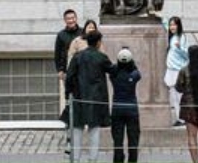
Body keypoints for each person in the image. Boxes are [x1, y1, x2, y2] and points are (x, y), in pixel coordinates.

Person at [67, 31, 114, 163]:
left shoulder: (77, 57)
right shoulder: (101, 57)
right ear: (98, 42)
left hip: (78, 97)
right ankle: (93, 159)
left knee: (77, 129)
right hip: (96, 98)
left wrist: (68, 95)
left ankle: (75, 159)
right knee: (94, 130)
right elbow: (113, 70)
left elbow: (69, 77)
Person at [109, 47, 142, 163]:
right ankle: (132, 160)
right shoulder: (134, 74)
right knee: (133, 139)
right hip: (132, 109)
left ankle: (118, 160)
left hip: (117, 109)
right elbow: (138, 73)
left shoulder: (114, 74)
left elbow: (112, 69)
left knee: (117, 140)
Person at [55, 9, 81, 152]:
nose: (71, 20)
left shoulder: (83, 33)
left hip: (82, 75)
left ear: (76, 18)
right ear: (65, 20)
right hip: (68, 76)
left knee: (82, 103)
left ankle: (82, 136)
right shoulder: (61, 35)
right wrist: (60, 70)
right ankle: (69, 139)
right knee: (70, 104)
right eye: (68, 19)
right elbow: (57, 54)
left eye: (73, 18)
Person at [164, 16, 190, 126]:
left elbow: (186, 55)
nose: (172, 27)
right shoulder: (172, 36)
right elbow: (165, 24)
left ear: (178, 25)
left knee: (179, 95)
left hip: (178, 69)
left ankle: (183, 119)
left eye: (174, 24)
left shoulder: (181, 37)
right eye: (171, 25)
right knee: (173, 95)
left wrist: (179, 48)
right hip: (171, 69)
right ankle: (179, 117)